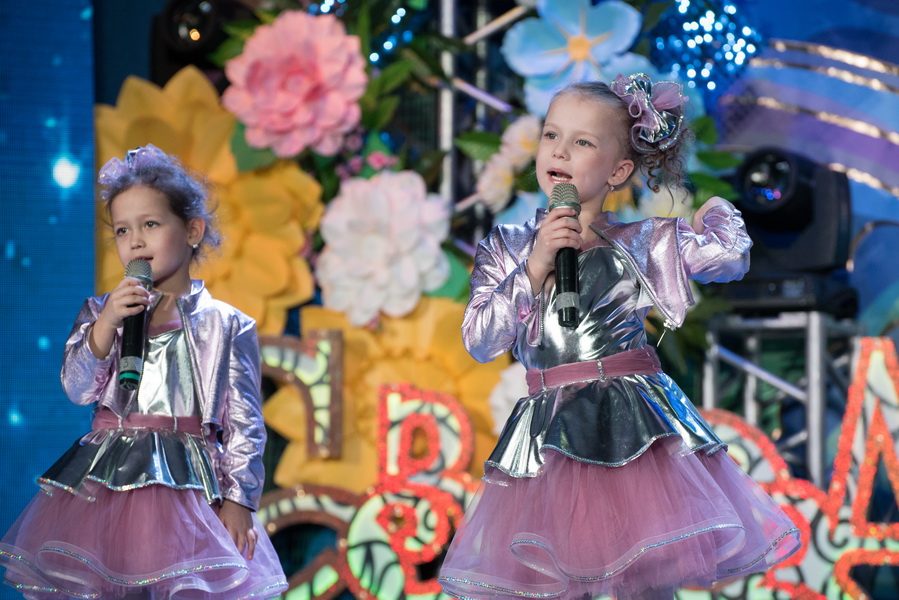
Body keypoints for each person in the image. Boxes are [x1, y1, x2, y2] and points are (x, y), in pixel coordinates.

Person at [438, 75, 801, 600]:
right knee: (559, 576)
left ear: (618, 170)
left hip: (632, 427)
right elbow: (479, 339)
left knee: (643, 578)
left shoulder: (643, 241)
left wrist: (716, 212)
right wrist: (536, 265)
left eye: (582, 141)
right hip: (551, 434)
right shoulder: (510, 246)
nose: (560, 150)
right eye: (551, 134)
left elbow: (728, 258)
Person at [0, 145, 288, 599]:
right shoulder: (103, 312)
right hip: (112, 483)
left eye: (150, 224)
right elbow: (78, 389)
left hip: (188, 485)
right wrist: (107, 324)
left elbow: (245, 423)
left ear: (192, 230)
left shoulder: (227, 324)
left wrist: (240, 500)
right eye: (122, 230)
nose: (135, 241)